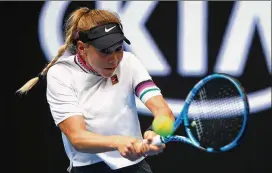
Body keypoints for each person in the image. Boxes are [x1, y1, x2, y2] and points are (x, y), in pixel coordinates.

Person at [17, 7, 175, 173]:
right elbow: (78, 137)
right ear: (82, 48)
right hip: (88, 169)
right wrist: (118, 142)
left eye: (118, 48)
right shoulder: (61, 74)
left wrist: (153, 133)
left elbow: (163, 111)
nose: (114, 59)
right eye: (104, 51)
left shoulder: (129, 62)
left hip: (134, 168)